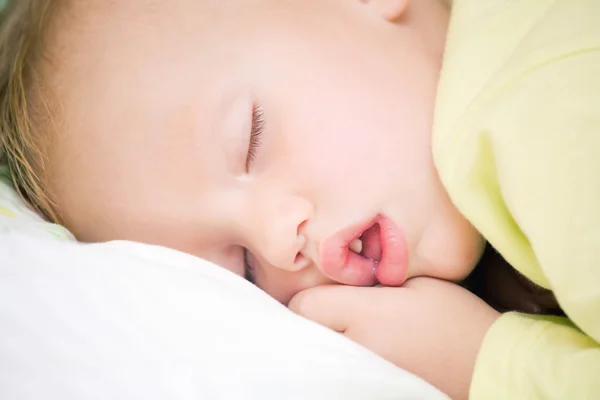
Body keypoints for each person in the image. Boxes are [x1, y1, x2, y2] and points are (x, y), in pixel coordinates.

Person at [1, 0, 598, 398]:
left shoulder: (535, 108)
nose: (277, 238)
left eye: (251, 139)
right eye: (245, 270)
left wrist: (483, 365)